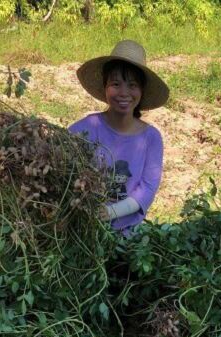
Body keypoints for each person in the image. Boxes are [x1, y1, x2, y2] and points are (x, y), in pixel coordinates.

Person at [69, 40, 169, 236]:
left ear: (141, 91)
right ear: (105, 87)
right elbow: (60, 154)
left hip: (128, 235)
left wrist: (111, 211)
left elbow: (148, 187)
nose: (124, 93)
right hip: (86, 231)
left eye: (132, 85)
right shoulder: (87, 128)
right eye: (116, 84)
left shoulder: (151, 138)